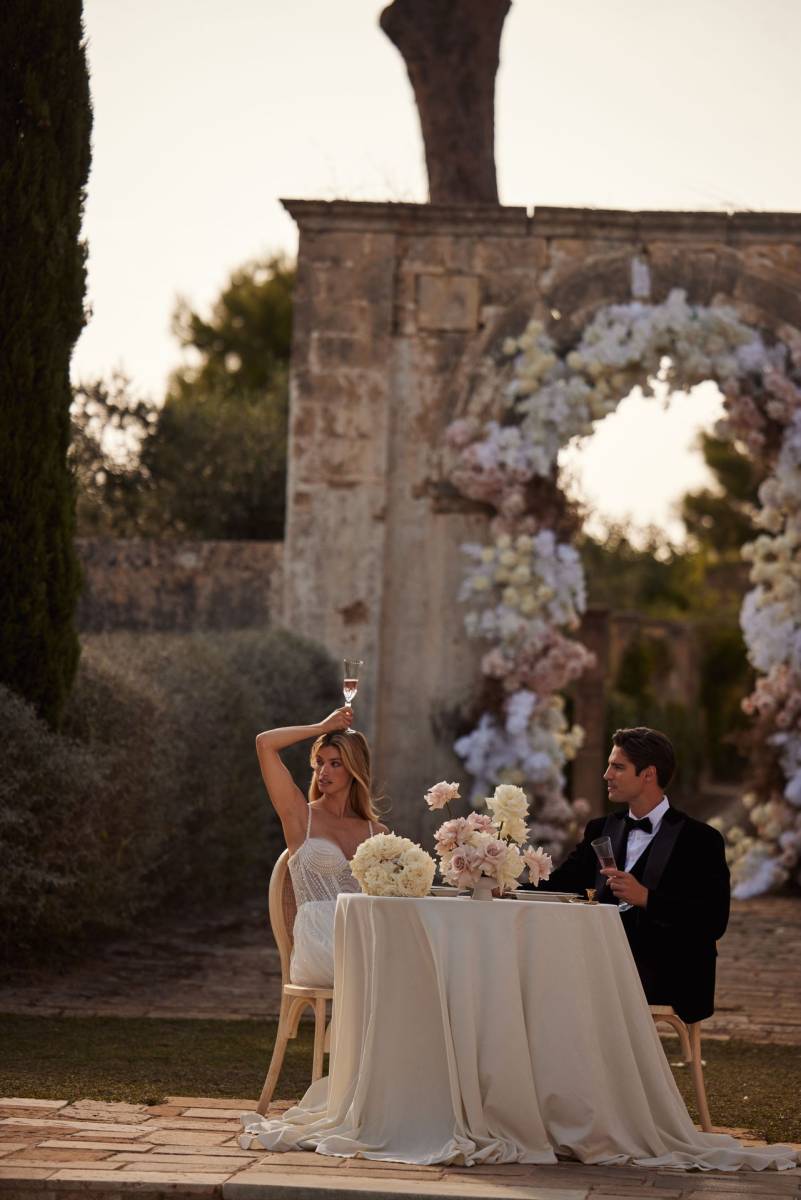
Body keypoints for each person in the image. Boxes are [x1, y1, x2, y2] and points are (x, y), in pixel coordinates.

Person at [543, 726, 730, 1024]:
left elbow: (713, 920)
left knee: (581, 988)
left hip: (668, 970)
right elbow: (560, 884)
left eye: (618, 767)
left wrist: (647, 898)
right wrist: (503, 883)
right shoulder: (600, 829)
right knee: (543, 975)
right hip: (603, 959)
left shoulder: (700, 840)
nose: (607, 775)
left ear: (648, 774)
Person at [256, 706, 388, 987]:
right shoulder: (300, 816)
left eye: (336, 763)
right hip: (318, 944)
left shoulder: (377, 833)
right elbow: (265, 743)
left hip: (364, 939)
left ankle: (346, 1033)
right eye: (320, 762)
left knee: (415, 964)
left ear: (355, 769)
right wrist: (320, 728)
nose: (323, 771)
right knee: (390, 976)